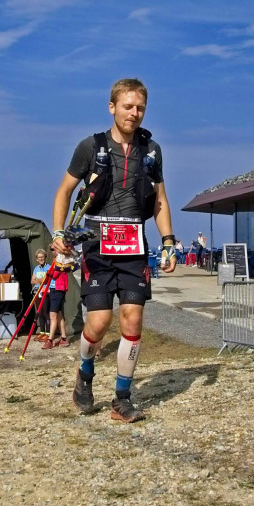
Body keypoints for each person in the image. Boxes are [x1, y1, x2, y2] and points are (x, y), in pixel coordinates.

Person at [52, 78, 177, 423]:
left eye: (139, 108)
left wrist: (169, 242)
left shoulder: (152, 151)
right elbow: (64, 191)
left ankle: (122, 397)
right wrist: (59, 233)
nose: (133, 114)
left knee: (133, 318)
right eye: (127, 106)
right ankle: (85, 372)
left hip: (135, 245)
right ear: (112, 107)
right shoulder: (90, 147)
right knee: (98, 321)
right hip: (96, 244)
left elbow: (160, 201)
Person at [44, 245, 69, 350]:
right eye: (51, 249)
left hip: (58, 289)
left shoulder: (61, 260)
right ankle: (63, 338)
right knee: (58, 314)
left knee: (52, 315)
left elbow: (54, 275)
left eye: (54, 249)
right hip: (55, 289)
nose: (53, 251)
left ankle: (50, 340)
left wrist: (48, 274)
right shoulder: (57, 260)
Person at [31, 249, 51, 342]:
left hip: (46, 292)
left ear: (45, 257)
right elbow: (32, 281)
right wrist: (41, 280)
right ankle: (42, 332)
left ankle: (48, 333)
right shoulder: (36, 268)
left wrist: (38, 280)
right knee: (39, 313)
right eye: (39, 257)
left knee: (46, 312)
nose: (41, 258)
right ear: (37, 259)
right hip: (37, 292)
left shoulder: (49, 267)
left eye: (42, 257)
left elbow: (47, 280)